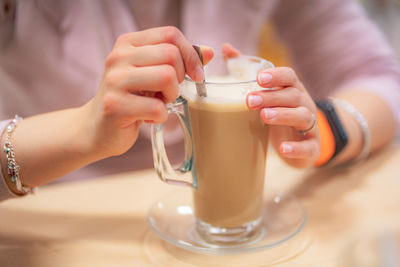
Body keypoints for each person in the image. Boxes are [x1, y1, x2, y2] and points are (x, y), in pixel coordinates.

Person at [0, 0, 399, 201]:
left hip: (231, 222)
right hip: (54, 220)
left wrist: (324, 132)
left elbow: (377, 76)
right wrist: (81, 130)